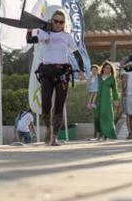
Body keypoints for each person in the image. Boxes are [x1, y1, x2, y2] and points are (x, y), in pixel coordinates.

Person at [27, 8, 85, 146]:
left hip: (62, 74)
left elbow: (77, 54)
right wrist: (29, 29)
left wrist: (82, 70)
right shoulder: (44, 33)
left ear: (64, 23)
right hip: (46, 73)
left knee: (59, 106)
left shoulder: (67, 37)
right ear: (51, 21)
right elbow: (29, 40)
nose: (58, 24)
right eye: (56, 21)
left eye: (61, 22)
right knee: (46, 105)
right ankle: (48, 128)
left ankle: (54, 137)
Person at [93, 60, 120, 140]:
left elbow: (115, 90)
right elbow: (92, 86)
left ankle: (106, 135)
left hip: (107, 99)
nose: (107, 70)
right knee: (97, 116)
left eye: (109, 68)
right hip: (97, 98)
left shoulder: (112, 78)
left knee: (107, 116)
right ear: (103, 68)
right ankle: (99, 134)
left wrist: (116, 100)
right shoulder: (98, 76)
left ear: (111, 69)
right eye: (106, 68)